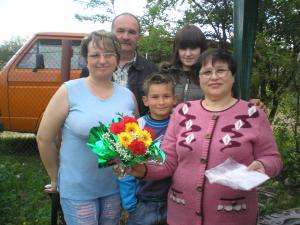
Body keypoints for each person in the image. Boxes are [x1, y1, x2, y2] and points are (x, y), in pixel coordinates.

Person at [127, 49, 282, 225]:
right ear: (199, 78)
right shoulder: (182, 112)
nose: (214, 77)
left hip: (234, 215)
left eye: (221, 70)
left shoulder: (252, 114)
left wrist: (263, 165)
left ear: (233, 76)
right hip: (182, 214)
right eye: (207, 72)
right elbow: (167, 161)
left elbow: (273, 158)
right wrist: (143, 170)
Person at [37, 30, 139, 225]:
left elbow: (136, 141)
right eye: (95, 55)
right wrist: (54, 177)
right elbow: (44, 138)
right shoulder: (69, 90)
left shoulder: (127, 96)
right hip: (77, 189)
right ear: (86, 59)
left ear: (117, 58)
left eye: (109, 54)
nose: (102, 60)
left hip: (115, 188)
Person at [160, 24, 266, 111]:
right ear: (177, 50)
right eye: (183, 48)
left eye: (193, 48)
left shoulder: (214, 77)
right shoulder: (165, 76)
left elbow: (230, 102)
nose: (188, 54)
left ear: (202, 49)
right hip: (170, 132)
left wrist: (249, 103)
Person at [118, 72, 177, 225]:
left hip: (173, 201)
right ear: (145, 100)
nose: (161, 102)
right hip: (143, 202)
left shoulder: (180, 125)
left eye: (166, 96)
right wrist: (130, 204)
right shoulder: (136, 127)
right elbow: (125, 166)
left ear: (174, 99)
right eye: (155, 97)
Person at [81, 13, 157, 116]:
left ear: (138, 38)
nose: (125, 37)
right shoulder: (92, 69)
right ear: (112, 34)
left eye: (131, 32)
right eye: (120, 31)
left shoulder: (151, 71)